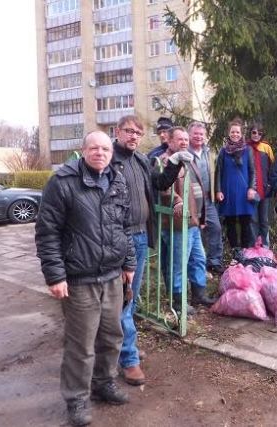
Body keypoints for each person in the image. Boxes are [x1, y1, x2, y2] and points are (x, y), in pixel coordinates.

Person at [35, 131, 136, 427]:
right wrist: (55, 275)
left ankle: (103, 383)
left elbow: (124, 226)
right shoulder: (62, 182)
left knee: (111, 335)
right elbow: (47, 232)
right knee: (80, 344)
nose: (101, 153)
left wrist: (129, 262)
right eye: (94, 148)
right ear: (83, 151)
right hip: (79, 279)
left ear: (111, 152)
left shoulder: (117, 179)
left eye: (105, 148)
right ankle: (77, 398)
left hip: (112, 275)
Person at [110, 115, 190, 386]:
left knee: (131, 298)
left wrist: (175, 163)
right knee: (123, 298)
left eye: (138, 133)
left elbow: (158, 183)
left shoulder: (141, 160)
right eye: (129, 131)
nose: (133, 136)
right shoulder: (108, 161)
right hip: (119, 239)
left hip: (141, 236)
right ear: (117, 132)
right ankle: (129, 359)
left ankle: (124, 348)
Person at [158, 127, 215, 312]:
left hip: (193, 221)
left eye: (185, 139)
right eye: (179, 139)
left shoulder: (188, 159)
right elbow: (162, 188)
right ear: (169, 141)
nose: (184, 142)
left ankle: (199, 295)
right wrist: (177, 201)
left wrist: (202, 217)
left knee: (198, 259)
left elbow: (198, 188)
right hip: (177, 224)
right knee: (178, 264)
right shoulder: (164, 161)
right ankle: (178, 302)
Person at [188, 121, 225, 274]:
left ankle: (214, 262)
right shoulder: (185, 152)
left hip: (208, 200)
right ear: (189, 135)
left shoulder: (209, 152)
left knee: (215, 228)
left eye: (201, 134)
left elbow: (215, 173)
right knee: (195, 232)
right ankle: (197, 264)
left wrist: (217, 190)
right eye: (195, 134)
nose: (198, 137)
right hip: (191, 200)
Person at [216, 120, 257, 249]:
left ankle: (245, 251)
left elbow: (252, 171)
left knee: (246, 223)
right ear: (229, 133)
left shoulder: (247, 150)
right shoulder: (223, 151)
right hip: (228, 192)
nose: (235, 134)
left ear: (241, 133)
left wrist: (252, 188)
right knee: (231, 223)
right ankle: (235, 251)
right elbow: (218, 172)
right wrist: (218, 190)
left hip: (244, 192)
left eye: (237, 132)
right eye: (232, 132)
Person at [247, 123, 275, 246]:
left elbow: (273, 168)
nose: (256, 135)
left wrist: (270, 184)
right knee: (253, 220)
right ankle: (254, 247)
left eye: (259, 133)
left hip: (265, 190)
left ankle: (265, 247)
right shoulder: (245, 148)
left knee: (264, 220)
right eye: (254, 132)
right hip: (251, 190)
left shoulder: (266, 148)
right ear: (250, 133)